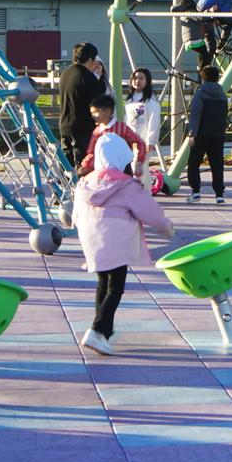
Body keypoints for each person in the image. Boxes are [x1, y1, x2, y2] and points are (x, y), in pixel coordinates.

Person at [73, 134, 176, 356]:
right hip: (117, 242)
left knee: (103, 282)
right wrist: (166, 227)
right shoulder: (125, 184)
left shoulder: (85, 182)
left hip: (92, 240)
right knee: (115, 287)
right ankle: (97, 330)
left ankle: (105, 332)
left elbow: (76, 213)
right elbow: (149, 211)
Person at [57, 42, 106, 166]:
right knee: (82, 164)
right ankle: (79, 185)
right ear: (90, 59)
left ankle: (64, 184)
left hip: (65, 124)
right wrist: (98, 78)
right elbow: (98, 98)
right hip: (82, 128)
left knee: (66, 163)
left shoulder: (65, 74)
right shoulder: (86, 76)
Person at [186, 66, 229, 203]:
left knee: (193, 163)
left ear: (203, 78)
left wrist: (192, 134)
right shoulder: (222, 95)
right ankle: (219, 194)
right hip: (217, 135)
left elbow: (196, 115)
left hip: (201, 134)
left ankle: (196, 191)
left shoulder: (201, 93)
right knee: (217, 165)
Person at [78, 93, 148, 176]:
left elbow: (139, 143)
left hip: (123, 169)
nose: (93, 116)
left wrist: (139, 161)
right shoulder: (97, 132)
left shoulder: (122, 128)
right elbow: (92, 152)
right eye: (92, 113)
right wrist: (86, 166)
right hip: (104, 171)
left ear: (107, 112)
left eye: (96, 112)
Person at [125, 68, 162, 153]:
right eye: (135, 78)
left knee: (139, 165)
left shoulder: (151, 99)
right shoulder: (130, 99)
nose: (137, 80)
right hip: (129, 139)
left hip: (143, 141)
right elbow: (126, 119)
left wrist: (151, 141)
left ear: (147, 81)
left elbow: (154, 120)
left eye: (141, 78)